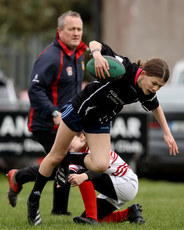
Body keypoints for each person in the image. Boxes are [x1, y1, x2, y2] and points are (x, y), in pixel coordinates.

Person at [27, 40, 179, 225]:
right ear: (144, 73)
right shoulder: (124, 67)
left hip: (100, 120)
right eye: (154, 83)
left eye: (160, 87)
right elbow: (94, 43)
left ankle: (67, 160)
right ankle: (34, 199)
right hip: (80, 109)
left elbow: (156, 106)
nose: (155, 89)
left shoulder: (145, 91)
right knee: (55, 155)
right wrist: (97, 55)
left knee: (100, 164)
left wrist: (167, 133)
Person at [7, 10, 87, 216]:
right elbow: (34, 89)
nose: (76, 33)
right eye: (72, 29)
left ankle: (56, 208)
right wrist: (54, 113)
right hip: (45, 123)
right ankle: (23, 181)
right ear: (60, 32)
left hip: (67, 123)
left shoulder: (78, 55)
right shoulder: (51, 57)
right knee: (62, 161)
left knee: (64, 162)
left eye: (79, 29)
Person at [61, 132, 145, 225]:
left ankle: (91, 218)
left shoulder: (96, 150)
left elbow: (101, 169)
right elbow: (71, 172)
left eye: (69, 140)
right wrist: (63, 178)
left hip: (127, 183)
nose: (66, 144)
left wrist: (83, 176)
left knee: (82, 174)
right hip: (115, 184)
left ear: (81, 137)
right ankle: (130, 213)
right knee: (84, 220)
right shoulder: (78, 155)